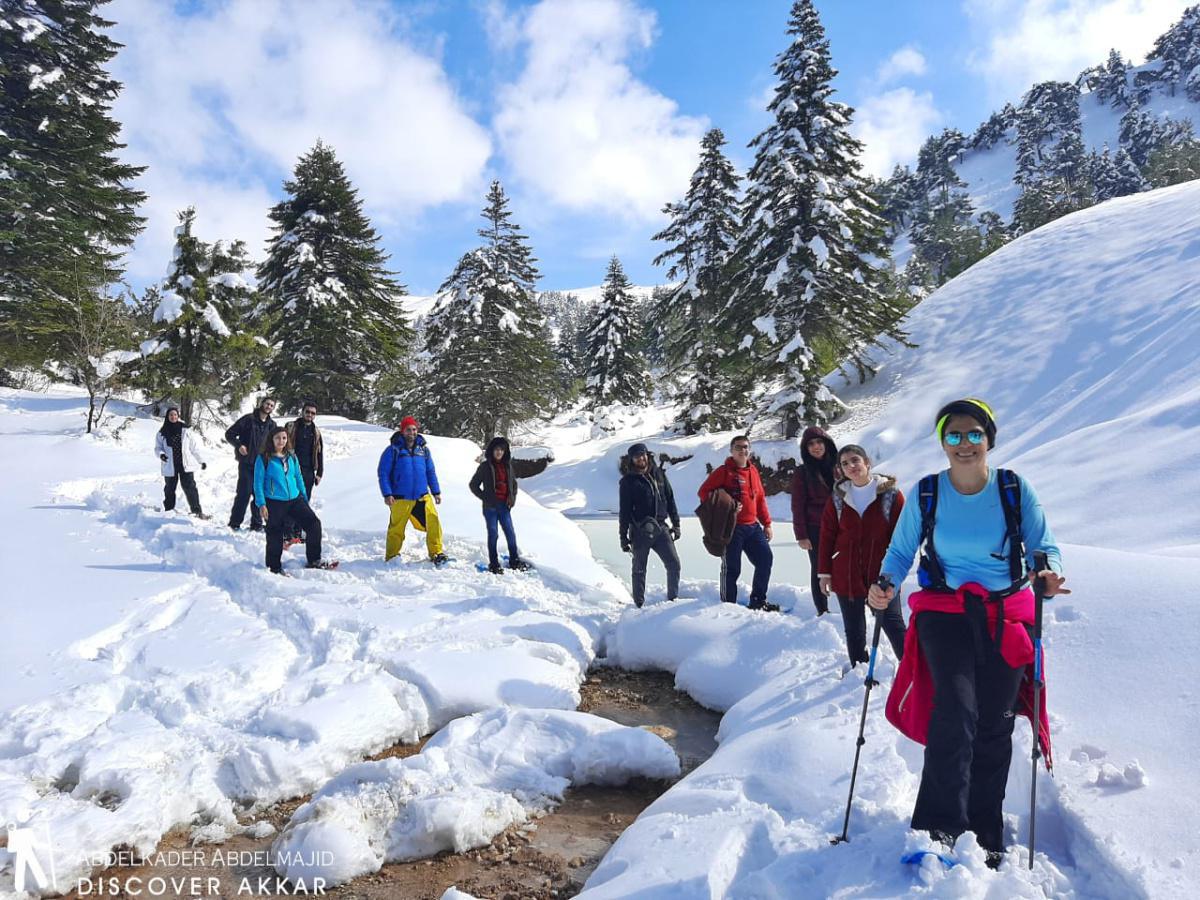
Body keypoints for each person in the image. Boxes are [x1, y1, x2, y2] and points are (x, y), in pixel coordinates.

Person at [869, 398, 1069, 865]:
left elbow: (1044, 546)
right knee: (955, 713)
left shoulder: (1014, 489)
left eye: (973, 434)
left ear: (988, 439)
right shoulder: (927, 494)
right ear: (942, 442)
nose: (964, 443)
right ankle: (940, 826)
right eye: (953, 435)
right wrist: (884, 585)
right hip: (944, 612)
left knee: (994, 724)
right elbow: (900, 554)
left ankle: (985, 830)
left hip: (1005, 614)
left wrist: (1048, 575)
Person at [817, 444, 905, 671]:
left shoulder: (891, 496)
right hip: (846, 572)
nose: (851, 466)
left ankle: (911, 670)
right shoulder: (838, 498)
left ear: (867, 463)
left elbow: (902, 537)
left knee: (892, 623)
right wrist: (824, 572)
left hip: (883, 573)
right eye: (845, 463)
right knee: (854, 628)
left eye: (855, 460)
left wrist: (894, 574)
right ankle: (859, 671)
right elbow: (827, 536)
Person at [698, 435, 775, 610]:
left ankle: (758, 601)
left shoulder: (753, 471)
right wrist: (727, 505)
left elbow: (760, 499)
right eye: (739, 447)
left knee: (765, 560)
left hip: (753, 527)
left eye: (746, 447)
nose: (743, 450)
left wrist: (767, 523)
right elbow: (704, 493)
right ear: (731, 450)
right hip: (731, 528)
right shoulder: (724, 471)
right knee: (732, 568)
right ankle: (728, 607)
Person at [253, 426, 333, 574]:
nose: (281, 441)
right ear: (272, 439)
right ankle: (274, 567)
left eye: (284, 438)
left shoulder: (291, 456)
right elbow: (257, 483)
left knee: (314, 524)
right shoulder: (264, 458)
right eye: (277, 438)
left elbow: (298, 476)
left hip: (295, 499)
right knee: (275, 534)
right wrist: (261, 504)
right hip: (274, 501)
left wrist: (303, 495)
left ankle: (314, 559)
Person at [618, 443, 681, 608]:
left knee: (674, 564)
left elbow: (670, 498)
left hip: (662, 528)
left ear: (648, 455)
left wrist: (676, 524)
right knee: (639, 569)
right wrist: (623, 537)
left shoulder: (659, 474)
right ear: (632, 459)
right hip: (640, 531)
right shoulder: (628, 482)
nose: (641, 458)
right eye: (637, 456)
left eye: (643, 454)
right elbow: (624, 511)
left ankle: (673, 601)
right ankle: (638, 605)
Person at [378, 416, 447, 564]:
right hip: (400, 498)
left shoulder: (423, 450)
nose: (412, 432)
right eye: (408, 429)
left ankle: (436, 553)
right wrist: (387, 493)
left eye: (414, 429)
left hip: (422, 496)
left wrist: (436, 491)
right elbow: (383, 473)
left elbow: (430, 471)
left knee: (433, 522)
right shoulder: (393, 450)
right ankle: (392, 556)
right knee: (396, 529)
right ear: (402, 431)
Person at [790, 425, 837, 615]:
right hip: (815, 527)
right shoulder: (802, 472)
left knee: (844, 565)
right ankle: (822, 610)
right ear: (806, 449)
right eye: (811, 444)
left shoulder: (839, 467)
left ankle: (849, 604)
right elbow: (797, 505)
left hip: (841, 525)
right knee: (819, 568)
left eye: (819, 442)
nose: (816, 447)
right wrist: (801, 535)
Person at [468, 436, 531, 574]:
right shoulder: (485, 466)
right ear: (492, 451)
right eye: (497, 449)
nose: (499, 452)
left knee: (510, 533)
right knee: (493, 534)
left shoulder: (508, 466)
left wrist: (512, 498)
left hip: (504, 506)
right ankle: (494, 564)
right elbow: (473, 485)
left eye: (502, 450)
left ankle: (514, 560)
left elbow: (513, 484)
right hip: (490, 507)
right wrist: (485, 497)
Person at [225, 397, 277, 531]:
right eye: (267, 404)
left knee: (260, 495)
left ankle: (256, 524)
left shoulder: (272, 425)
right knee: (244, 493)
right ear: (262, 404)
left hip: (262, 466)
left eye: (271, 405)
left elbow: (276, 443)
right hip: (247, 464)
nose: (269, 407)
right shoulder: (248, 420)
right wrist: (239, 445)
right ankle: (234, 523)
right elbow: (229, 434)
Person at [154, 406, 209, 519]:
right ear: (167, 417)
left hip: (185, 465)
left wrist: (201, 461)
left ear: (178, 416)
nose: (173, 417)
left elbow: (194, 448)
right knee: (169, 489)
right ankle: (168, 511)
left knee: (190, 488)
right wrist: (161, 455)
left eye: (175, 415)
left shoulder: (186, 430)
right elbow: (157, 448)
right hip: (170, 464)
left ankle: (197, 512)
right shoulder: (162, 432)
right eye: (171, 415)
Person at [283, 401, 324, 541]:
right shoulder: (291, 427)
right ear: (302, 412)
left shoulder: (316, 432)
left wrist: (319, 473)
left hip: (308, 471)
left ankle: (297, 531)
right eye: (308, 412)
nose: (310, 415)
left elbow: (320, 453)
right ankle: (286, 531)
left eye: (313, 413)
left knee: (303, 502)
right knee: (290, 499)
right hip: (291, 470)